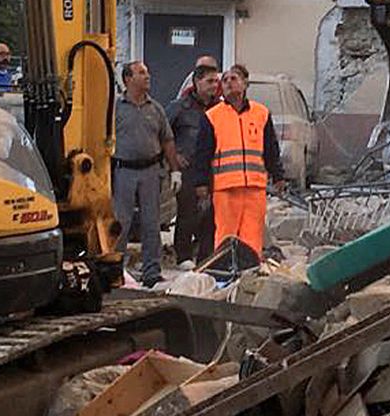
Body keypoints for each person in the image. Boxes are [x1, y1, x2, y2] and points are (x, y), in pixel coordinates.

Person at [199, 64, 286, 264]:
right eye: (225, 80)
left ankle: (249, 273)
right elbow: (203, 153)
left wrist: (278, 176)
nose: (229, 83)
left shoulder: (261, 113)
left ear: (245, 84)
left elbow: (270, 149)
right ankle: (224, 272)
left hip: (254, 188)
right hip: (226, 187)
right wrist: (201, 183)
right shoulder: (213, 116)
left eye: (234, 78)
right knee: (225, 235)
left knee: (252, 236)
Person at [112, 60, 178, 287]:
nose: (147, 76)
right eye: (141, 73)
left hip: (150, 171)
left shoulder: (156, 109)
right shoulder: (115, 109)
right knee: (121, 222)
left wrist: (175, 170)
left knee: (152, 223)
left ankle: (151, 271)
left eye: (147, 72)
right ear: (128, 79)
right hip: (124, 172)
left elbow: (167, 140)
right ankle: (114, 270)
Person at [169, 62, 220, 265]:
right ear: (197, 82)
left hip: (212, 169)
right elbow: (163, 134)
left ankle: (206, 257)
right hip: (188, 169)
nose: (214, 85)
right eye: (209, 81)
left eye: (216, 81)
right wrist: (174, 157)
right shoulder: (179, 108)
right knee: (188, 214)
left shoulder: (219, 109)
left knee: (210, 216)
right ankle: (183, 256)